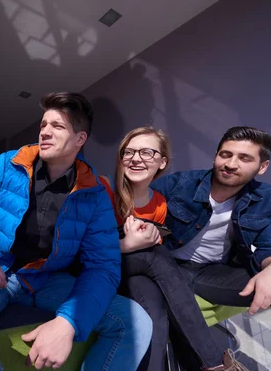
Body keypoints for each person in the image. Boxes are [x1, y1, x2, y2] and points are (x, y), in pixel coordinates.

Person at [0, 92, 154, 371]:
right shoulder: (10, 164)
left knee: (136, 321)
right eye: (43, 125)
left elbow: (103, 266)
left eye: (58, 126)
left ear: (80, 139)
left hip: (47, 280)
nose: (46, 132)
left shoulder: (95, 194)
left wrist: (69, 322)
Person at [120, 126, 271, 371]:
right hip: (166, 266)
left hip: (212, 273)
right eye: (226, 154)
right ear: (215, 156)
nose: (231, 163)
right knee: (155, 299)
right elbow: (136, 204)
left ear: (262, 167)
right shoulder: (179, 184)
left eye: (244, 158)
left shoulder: (266, 198)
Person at [99, 127, 246, 370]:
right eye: (129, 152)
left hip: (132, 275)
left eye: (147, 152)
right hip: (97, 270)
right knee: (156, 256)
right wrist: (127, 244)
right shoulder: (104, 189)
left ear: (162, 162)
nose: (136, 158)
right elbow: (81, 248)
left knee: (154, 311)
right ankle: (214, 362)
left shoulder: (160, 204)